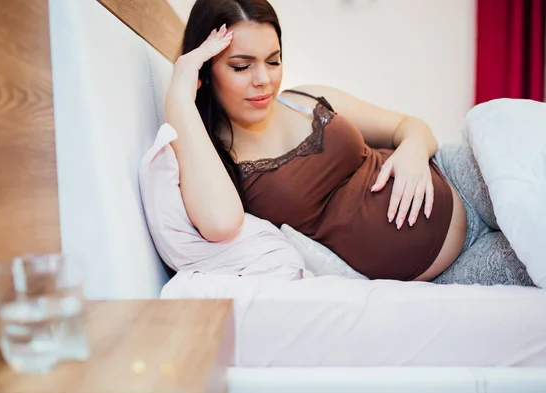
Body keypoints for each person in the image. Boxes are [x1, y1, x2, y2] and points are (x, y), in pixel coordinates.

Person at [165, 0, 534, 286]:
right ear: (206, 71)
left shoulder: (304, 99)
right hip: (449, 270)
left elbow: (410, 126)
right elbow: (220, 223)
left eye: (273, 61)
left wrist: (413, 153)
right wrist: (181, 93)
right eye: (242, 66)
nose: (263, 79)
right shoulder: (212, 158)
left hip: (458, 177)